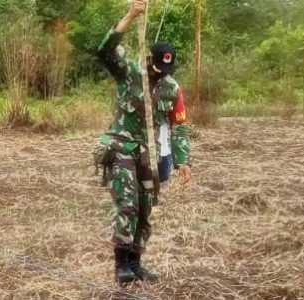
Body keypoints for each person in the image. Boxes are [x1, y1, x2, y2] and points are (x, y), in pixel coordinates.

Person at [96, 0, 192, 283]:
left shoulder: (172, 88)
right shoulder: (129, 72)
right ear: (150, 57)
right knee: (128, 203)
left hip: (148, 151)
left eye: (167, 69)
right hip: (120, 145)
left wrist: (182, 160)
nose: (162, 73)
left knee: (146, 206)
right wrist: (130, 15)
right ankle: (121, 265)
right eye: (158, 66)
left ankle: (136, 262)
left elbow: (179, 125)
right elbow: (105, 50)